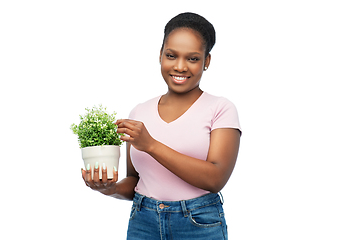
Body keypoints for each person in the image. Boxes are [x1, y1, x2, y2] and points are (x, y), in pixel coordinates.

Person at [81, 12, 241, 240]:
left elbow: (215, 178)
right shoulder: (139, 112)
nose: (180, 66)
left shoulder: (220, 109)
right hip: (143, 222)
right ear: (160, 55)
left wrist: (151, 145)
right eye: (171, 55)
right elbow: (135, 181)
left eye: (193, 58)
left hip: (198, 224)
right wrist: (110, 188)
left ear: (206, 61)